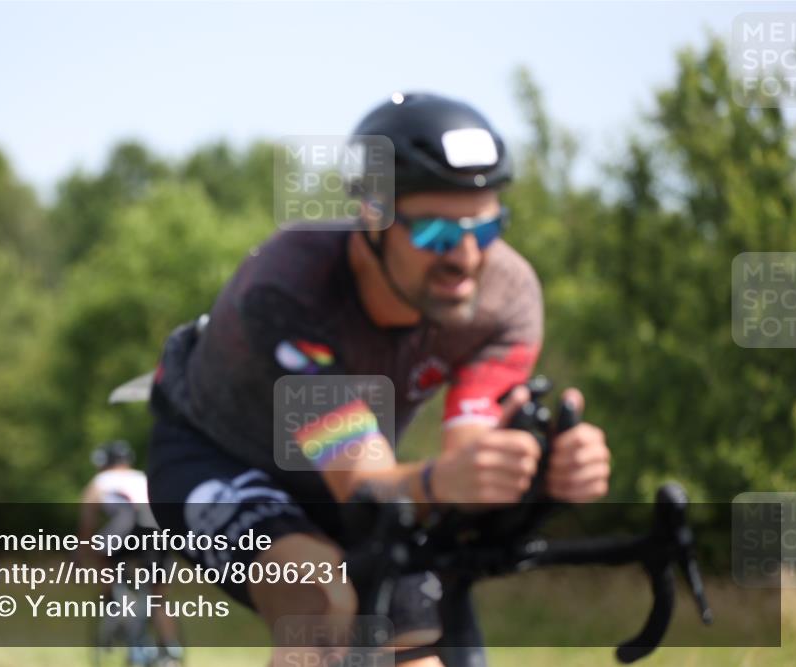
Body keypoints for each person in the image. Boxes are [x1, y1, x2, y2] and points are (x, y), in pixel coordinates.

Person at [146, 92, 611, 666]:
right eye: (437, 234)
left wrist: (542, 473)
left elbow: (466, 471)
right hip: (218, 459)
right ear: (373, 217)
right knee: (323, 608)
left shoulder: (505, 297)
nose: (465, 257)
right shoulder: (289, 290)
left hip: (368, 475)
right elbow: (363, 484)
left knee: (417, 654)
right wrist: (446, 480)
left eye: (486, 229)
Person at [79, 440, 184, 666]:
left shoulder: (101, 481)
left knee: (100, 552)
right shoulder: (143, 477)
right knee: (158, 596)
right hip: (160, 532)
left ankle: (114, 599)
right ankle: (171, 649)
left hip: (129, 529)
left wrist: (81, 552)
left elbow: (88, 520)